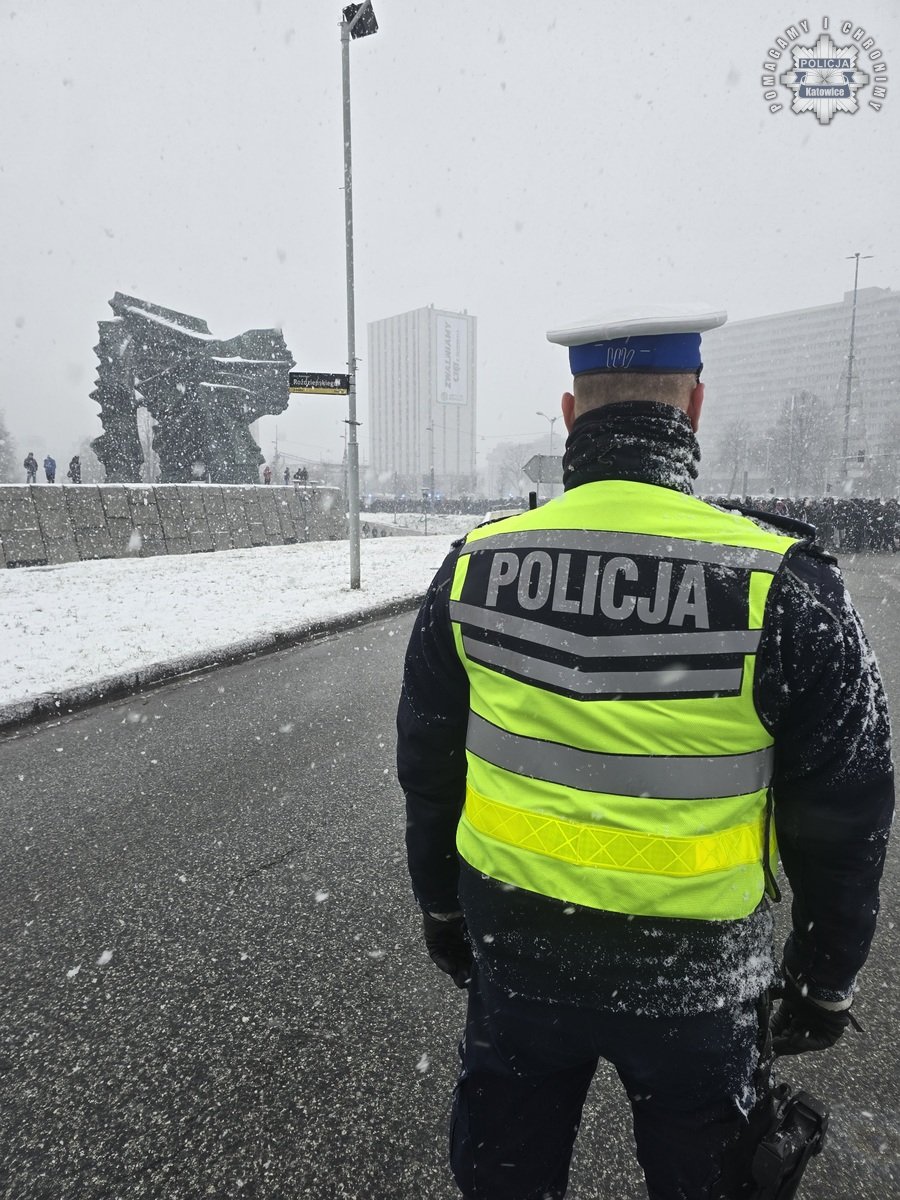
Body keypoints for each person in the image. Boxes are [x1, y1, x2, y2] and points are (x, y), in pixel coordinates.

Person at [397, 304, 894, 1200]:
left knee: (506, 1175)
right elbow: (845, 809)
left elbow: (429, 766)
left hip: (517, 954)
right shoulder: (785, 586)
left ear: (569, 415)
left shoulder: (474, 566)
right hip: (696, 979)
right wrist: (822, 978)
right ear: (694, 410)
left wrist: (442, 908)